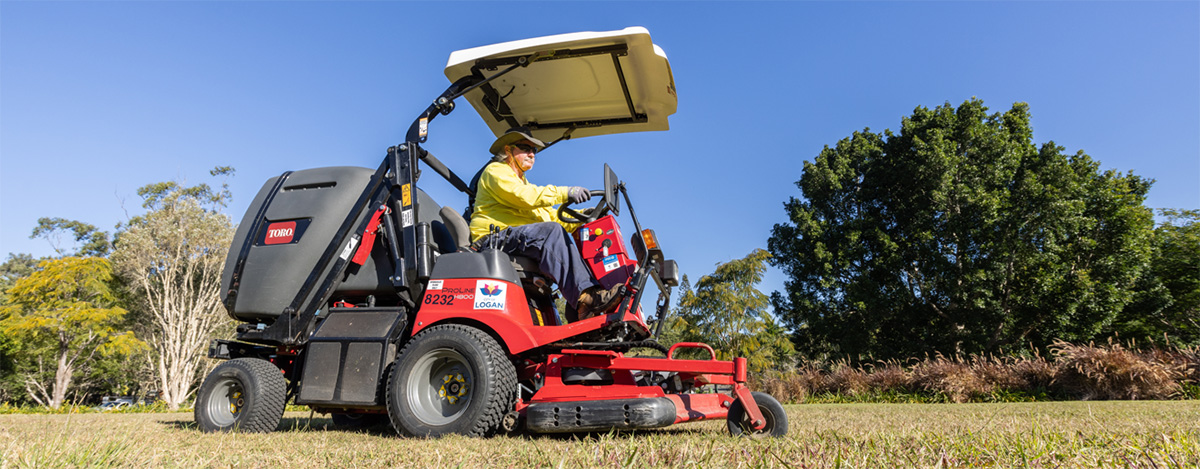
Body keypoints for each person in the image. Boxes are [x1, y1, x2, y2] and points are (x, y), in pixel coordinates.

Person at [469, 127, 623, 320]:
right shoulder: (496, 171)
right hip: (493, 238)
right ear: (508, 150)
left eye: (534, 151)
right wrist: (566, 192)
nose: (532, 154)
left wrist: (583, 216)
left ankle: (580, 308)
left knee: (570, 235)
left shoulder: (523, 182)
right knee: (551, 233)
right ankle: (586, 297)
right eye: (525, 148)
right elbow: (525, 198)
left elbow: (548, 215)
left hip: (514, 237)